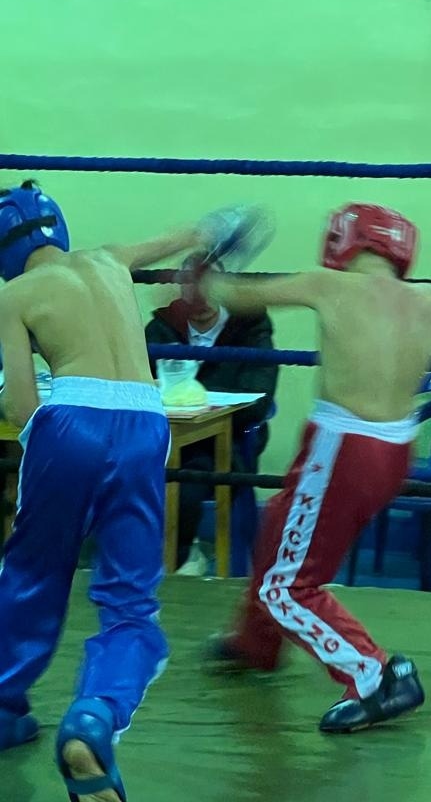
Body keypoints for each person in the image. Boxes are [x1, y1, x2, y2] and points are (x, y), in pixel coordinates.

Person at [0, 180, 260, 801]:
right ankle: (95, 715)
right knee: (130, 603)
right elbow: (199, 233)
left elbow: (19, 404)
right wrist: (229, 226)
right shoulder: (110, 258)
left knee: (33, 572)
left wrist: (51, 450)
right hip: (146, 422)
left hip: (72, 420)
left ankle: (3, 704)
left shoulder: (14, 295)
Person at [202, 202, 431, 733]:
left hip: (342, 447)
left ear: (346, 242)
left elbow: (237, 297)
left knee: (286, 586)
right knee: (280, 525)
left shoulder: (328, 284)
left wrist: (207, 269)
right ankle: (256, 642)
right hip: (396, 450)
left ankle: (374, 675)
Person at [145, 252, 278, 573]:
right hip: (165, 437)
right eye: (193, 290)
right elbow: (138, 385)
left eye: (209, 288)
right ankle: (139, 556)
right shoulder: (161, 329)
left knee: (190, 476)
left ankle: (176, 559)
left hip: (230, 439)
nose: (202, 300)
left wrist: (197, 401)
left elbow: (258, 398)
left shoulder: (250, 327)